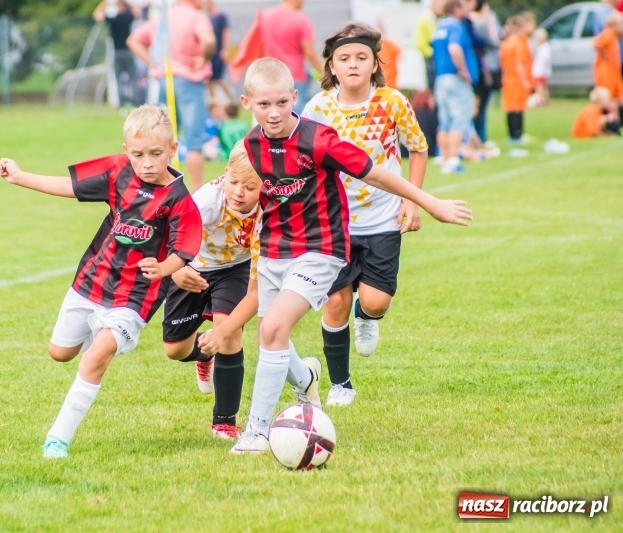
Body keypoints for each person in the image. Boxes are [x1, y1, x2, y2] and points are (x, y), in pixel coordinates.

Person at [201, 58, 471, 453]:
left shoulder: (318, 140)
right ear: (247, 103)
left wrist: (430, 203)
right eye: (264, 105)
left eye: (281, 102)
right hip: (274, 248)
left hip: (320, 249)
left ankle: (256, 433)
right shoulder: (251, 144)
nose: (273, 113)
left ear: (295, 97)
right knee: (268, 336)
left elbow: (375, 172)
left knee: (273, 329)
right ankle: (307, 379)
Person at [0, 106, 203, 459]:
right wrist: (20, 176)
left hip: (135, 296)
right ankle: (97, 332)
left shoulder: (180, 200)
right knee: (60, 353)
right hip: (93, 281)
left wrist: (163, 268)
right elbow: (70, 186)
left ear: (173, 149)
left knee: (95, 357)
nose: (147, 163)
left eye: (156, 154)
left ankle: (57, 440)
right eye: (138, 154)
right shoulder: (117, 171)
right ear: (126, 149)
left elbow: (182, 252)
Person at [302, 23, 431, 406]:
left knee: (376, 302)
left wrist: (411, 201)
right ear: (332, 66)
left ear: (375, 63)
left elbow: (418, 148)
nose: (353, 64)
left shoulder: (392, 102)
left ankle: (367, 317)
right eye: (344, 58)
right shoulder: (318, 107)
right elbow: (302, 158)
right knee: (335, 302)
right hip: (334, 224)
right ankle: (340, 385)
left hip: (382, 220)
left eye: (362, 57)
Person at [161, 140, 261, 440]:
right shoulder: (205, 201)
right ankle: (203, 356)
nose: (239, 192)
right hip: (191, 266)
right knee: (175, 350)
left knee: (228, 332)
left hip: (235, 268)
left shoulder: (270, 211)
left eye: (250, 187)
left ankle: (224, 422)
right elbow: (166, 235)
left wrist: (224, 330)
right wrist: (176, 271)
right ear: (225, 172)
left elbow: (258, 289)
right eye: (234, 182)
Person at [127, 0, 217, 192]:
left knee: (163, 138)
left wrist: (153, 64)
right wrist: (203, 58)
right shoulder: (197, 17)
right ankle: (197, 192)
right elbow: (208, 41)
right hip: (190, 81)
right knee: (194, 142)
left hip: (165, 80)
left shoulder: (162, 18)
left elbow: (133, 40)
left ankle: (161, 189)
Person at [431, 0, 480, 174]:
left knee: (445, 121)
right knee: (459, 119)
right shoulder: (456, 26)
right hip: (455, 79)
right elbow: (454, 48)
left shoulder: (439, 26)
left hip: (441, 78)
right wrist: (464, 70)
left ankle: (444, 157)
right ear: (457, 9)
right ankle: (452, 160)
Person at [261, 0, 324, 113]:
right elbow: (309, 52)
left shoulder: (265, 16)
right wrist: (324, 72)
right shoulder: (302, 20)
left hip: (269, 75)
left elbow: (258, 46)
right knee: (295, 118)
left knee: (272, 116)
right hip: (294, 77)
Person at [94, 0, 140, 111]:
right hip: (126, 53)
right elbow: (138, 13)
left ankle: (123, 106)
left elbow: (97, 15)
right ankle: (134, 105)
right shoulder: (126, 18)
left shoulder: (114, 20)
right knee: (132, 79)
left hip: (120, 53)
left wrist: (105, 3)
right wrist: (127, 3)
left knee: (121, 80)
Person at [469, 0, 502, 143]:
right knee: (479, 106)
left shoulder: (470, 21)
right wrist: (491, 22)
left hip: (481, 69)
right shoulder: (481, 22)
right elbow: (494, 41)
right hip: (483, 69)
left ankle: (479, 138)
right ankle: (480, 138)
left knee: (479, 106)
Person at [499, 14, 534, 144]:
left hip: (508, 77)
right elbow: (520, 64)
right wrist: (525, 82)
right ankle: (516, 135)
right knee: (516, 108)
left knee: (512, 107)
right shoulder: (518, 42)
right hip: (515, 78)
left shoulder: (507, 41)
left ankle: (515, 135)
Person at [594, 11, 623, 114]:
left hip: (614, 71)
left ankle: (616, 118)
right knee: (608, 98)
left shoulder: (614, 36)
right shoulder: (608, 33)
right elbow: (596, 43)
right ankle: (608, 118)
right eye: (621, 25)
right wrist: (604, 54)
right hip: (607, 72)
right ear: (614, 25)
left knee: (619, 95)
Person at [414, 0, 445, 90]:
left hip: (440, 58)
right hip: (431, 59)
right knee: (433, 87)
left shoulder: (440, 20)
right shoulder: (425, 20)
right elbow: (420, 43)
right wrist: (433, 54)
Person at [205, 0, 231, 97]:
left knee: (218, 80)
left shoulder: (221, 17)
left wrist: (225, 49)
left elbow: (226, 33)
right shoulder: (209, 18)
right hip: (211, 54)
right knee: (209, 80)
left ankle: (230, 97)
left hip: (219, 52)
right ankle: (212, 101)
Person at [531, 28, 551, 107]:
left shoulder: (544, 47)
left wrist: (541, 71)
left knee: (540, 88)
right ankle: (545, 100)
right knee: (543, 87)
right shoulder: (543, 47)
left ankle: (540, 101)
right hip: (542, 71)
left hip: (540, 71)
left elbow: (544, 60)